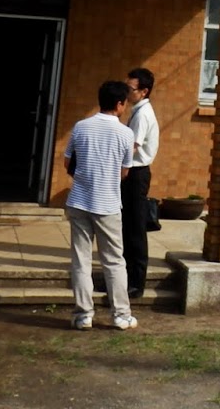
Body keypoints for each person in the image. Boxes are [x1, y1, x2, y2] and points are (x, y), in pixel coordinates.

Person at [63, 79, 136, 331]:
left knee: (80, 260)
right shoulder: (126, 133)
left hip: (79, 201)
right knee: (114, 261)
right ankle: (121, 314)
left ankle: (83, 314)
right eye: (125, 102)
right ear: (119, 104)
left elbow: (67, 163)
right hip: (108, 204)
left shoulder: (80, 127)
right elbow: (125, 171)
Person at [120, 66, 159, 298]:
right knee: (127, 226)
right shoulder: (137, 111)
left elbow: (131, 148)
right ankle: (126, 277)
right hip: (133, 172)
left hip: (136, 173)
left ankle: (136, 282)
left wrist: (119, 171)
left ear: (143, 91)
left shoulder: (143, 114)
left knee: (135, 228)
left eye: (130, 88)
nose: (127, 92)